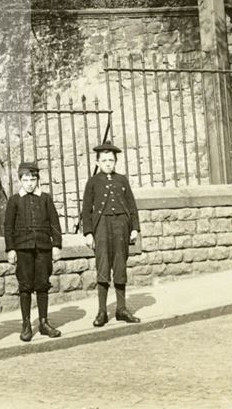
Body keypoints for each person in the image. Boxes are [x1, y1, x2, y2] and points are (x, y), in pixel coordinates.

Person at [80, 140, 141, 326]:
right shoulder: (93, 182)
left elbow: (132, 206)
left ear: (115, 162)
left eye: (111, 160)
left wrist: (135, 228)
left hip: (121, 226)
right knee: (103, 266)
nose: (108, 163)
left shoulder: (122, 180)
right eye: (104, 160)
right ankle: (102, 312)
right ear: (97, 162)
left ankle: (121, 309)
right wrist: (88, 233)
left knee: (120, 266)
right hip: (102, 227)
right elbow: (86, 210)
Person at [3, 161, 62, 342]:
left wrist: (56, 245)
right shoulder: (14, 200)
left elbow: (55, 223)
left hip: (43, 248)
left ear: (37, 180)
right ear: (20, 180)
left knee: (42, 284)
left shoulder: (45, 198)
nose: (29, 183)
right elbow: (8, 227)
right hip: (23, 250)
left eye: (33, 179)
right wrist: (11, 249)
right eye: (26, 179)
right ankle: (26, 324)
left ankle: (43, 322)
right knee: (26, 286)